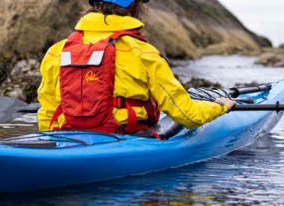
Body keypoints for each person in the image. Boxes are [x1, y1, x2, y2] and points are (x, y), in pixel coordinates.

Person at [36, 0, 236, 139]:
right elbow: (188, 115)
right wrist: (221, 106)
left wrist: (51, 143)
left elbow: (47, 112)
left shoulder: (58, 51)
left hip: (67, 137)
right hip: (124, 136)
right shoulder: (143, 52)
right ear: (134, 5)